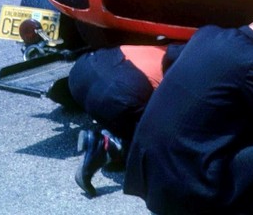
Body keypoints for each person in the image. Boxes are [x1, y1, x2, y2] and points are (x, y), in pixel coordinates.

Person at [123, 0, 253, 215]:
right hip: (187, 190)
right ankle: (229, 207)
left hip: (149, 174)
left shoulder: (207, 33)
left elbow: (171, 57)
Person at [68, 43, 182, 197]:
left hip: (81, 71)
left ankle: (113, 143)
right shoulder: (191, 69)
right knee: (168, 147)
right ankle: (109, 145)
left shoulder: (172, 46)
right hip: (117, 92)